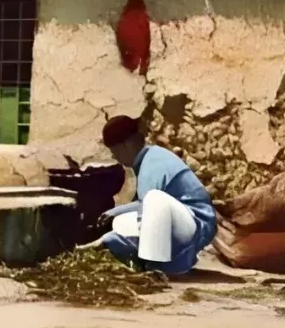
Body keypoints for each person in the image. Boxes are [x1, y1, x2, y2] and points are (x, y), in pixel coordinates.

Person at [77, 115, 216, 276]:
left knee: (154, 199)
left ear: (126, 145)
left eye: (115, 152)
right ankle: (166, 262)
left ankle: (154, 268)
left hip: (195, 223)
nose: (115, 157)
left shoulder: (153, 161)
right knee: (120, 222)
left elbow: (148, 205)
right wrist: (106, 236)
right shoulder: (147, 159)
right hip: (178, 223)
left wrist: (115, 211)